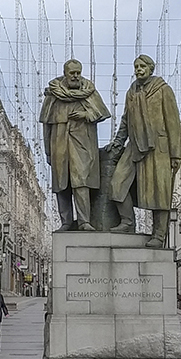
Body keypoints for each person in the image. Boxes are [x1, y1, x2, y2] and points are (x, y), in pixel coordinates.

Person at [108, 54, 181, 247]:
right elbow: (126, 119)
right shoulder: (131, 91)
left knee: (160, 192)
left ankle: (158, 234)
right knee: (118, 182)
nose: (139, 69)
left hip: (159, 147)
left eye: (142, 66)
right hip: (134, 145)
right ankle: (127, 221)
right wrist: (118, 142)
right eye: (136, 66)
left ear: (150, 68)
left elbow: (173, 122)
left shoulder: (163, 90)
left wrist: (175, 153)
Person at [40, 59, 111, 231]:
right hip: (59, 143)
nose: (76, 76)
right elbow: (46, 124)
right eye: (72, 73)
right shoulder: (53, 95)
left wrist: (86, 114)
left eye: (78, 72)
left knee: (81, 182)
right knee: (61, 184)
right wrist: (48, 151)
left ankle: (84, 221)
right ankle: (66, 221)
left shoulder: (88, 91)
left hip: (82, 143)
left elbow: (102, 113)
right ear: (65, 73)